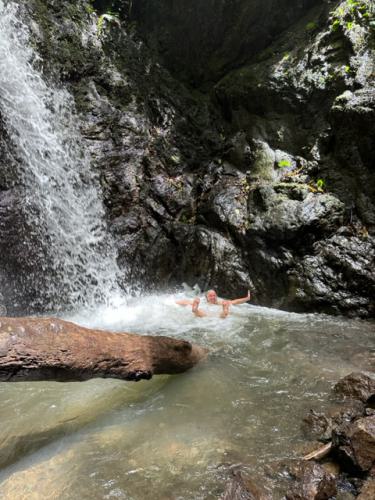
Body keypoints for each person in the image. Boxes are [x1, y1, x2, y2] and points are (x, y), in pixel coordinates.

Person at [176, 289, 251, 319]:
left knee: (222, 315)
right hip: (205, 313)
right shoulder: (202, 301)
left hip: (216, 314)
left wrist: (246, 298)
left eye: (214, 295)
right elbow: (186, 302)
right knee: (200, 313)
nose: (213, 297)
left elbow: (235, 302)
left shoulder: (220, 302)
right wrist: (176, 302)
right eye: (210, 296)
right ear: (206, 297)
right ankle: (195, 309)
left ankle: (225, 310)